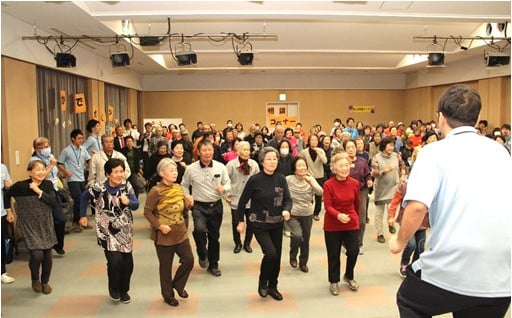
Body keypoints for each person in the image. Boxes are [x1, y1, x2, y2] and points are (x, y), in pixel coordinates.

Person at [389, 84, 511, 317]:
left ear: (441, 118)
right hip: (501, 276)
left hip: (453, 266)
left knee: (408, 299)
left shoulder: (433, 152)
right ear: (476, 120)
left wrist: (400, 241)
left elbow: (416, 207)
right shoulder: (500, 152)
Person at [80, 158, 139, 304]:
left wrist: (129, 202)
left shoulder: (127, 185)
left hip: (124, 229)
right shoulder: (99, 188)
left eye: (122, 171)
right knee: (115, 261)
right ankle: (114, 288)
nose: (120, 175)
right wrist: (82, 216)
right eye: (116, 172)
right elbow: (83, 197)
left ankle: (124, 290)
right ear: (108, 174)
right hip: (106, 230)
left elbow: (136, 204)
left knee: (128, 263)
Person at [236, 147, 292, 301]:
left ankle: (273, 286)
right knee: (271, 253)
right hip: (259, 224)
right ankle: (263, 281)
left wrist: (287, 210)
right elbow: (242, 202)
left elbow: (287, 199)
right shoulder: (255, 180)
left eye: (275, 158)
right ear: (262, 161)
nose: (272, 161)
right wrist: (241, 220)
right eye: (269, 159)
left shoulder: (281, 178)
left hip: (277, 223)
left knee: (277, 257)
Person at [144, 158, 194, 307]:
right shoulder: (156, 191)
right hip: (164, 234)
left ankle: (178, 285)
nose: (175, 173)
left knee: (189, 260)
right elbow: (147, 212)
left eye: (176, 170)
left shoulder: (178, 187)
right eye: (171, 170)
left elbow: (183, 209)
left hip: (180, 231)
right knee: (166, 267)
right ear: (161, 173)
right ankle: (168, 295)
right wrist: (159, 226)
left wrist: (188, 204)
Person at [5, 160, 57, 294]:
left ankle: (45, 282)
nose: (41, 172)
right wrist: (9, 211)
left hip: (45, 224)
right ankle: (35, 280)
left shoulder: (48, 184)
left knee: (47, 256)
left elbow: (52, 200)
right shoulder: (20, 186)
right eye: (37, 169)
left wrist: (38, 190)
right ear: (29, 172)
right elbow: (7, 194)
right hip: (29, 225)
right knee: (36, 255)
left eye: (43, 169)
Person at [181, 139, 231, 277]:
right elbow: (184, 185)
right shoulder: (191, 168)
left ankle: (214, 265)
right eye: (204, 150)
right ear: (198, 152)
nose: (207, 153)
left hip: (216, 205)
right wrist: (187, 196)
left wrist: (224, 188)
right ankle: (202, 253)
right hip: (198, 206)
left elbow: (228, 183)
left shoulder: (221, 167)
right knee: (199, 230)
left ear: (213, 151)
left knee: (214, 237)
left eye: (210, 150)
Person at [323, 153, 360, 296]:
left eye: (347, 165)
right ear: (334, 168)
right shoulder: (328, 184)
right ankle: (333, 281)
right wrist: (338, 215)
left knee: (354, 251)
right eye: (341, 166)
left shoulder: (354, 183)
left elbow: (357, 204)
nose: (345, 168)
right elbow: (328, 206)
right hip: (333, 224)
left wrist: (355, 218)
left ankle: (349, 276)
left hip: (351, 222)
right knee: (333, 254)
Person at [387, 170, 429, 278]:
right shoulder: (404, 186)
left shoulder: (429, 186)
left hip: (422, 222)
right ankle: (404, 263)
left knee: (420, 246)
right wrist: (391, 216)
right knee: (411, 244)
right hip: (407, 220)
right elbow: (394, 202)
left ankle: (416, 266)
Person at [30, 137, 67, 254]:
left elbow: (54, 174)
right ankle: (45, 245)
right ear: (36, 149)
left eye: (47, 146)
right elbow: (40, 176)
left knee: (60, 219)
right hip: (41, 190)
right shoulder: (34, 160)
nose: (45, 149)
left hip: (54, 189)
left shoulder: (50, 156)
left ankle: (58, 244)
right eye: (41, 147)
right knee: (45, 220)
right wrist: (50, 166)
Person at [286, 157, 323, 273]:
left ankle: (303, 262)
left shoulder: (310, 179)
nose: (302, 168)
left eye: (304, 165)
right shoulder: (288, 179)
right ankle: (293, 255)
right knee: (297, 235)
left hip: (307, 213)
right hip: (293, 213)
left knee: (305, 239)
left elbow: (320, 192)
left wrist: (311, 182)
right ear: (294, 168)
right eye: (299, 166)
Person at [225, 141, 260, 254]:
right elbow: (225, 180)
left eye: (248, 149)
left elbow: (259, 181)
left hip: (251, 200)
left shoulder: (254, 164)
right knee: (236, 222)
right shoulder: (230, 165)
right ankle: (238, 243)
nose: (246, 152)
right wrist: (227, 195)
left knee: (251, 223)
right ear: (238, 151)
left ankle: (247, 243)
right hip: (236, 198)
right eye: (244, 149)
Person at [371, 136, 405, 243]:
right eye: (389, 145)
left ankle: (390, 223)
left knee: (392, 208)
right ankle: (380, 233)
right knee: (379, 213)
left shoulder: (396, 156)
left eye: (392, 145)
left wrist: (403, 174)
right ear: (384, 146)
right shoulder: (376, 158)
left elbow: (402, 165)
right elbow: (375, 173)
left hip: (394, 186)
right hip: (381, 188)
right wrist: (384, 171)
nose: (391, 147)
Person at [57, 129, 91, 232]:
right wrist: (65, 172)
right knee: (78, 200)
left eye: (82, 138)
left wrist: (91, 166)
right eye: (79, 138)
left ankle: (83, 220)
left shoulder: (83, 149)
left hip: (82, 177)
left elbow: (89, 160)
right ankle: (76, 222)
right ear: (73, 139)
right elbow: (59, 163)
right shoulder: (66, 150)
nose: (81, 140)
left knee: (84, 200)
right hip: (72, 179)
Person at [300, 134, 327, 221]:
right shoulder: (304, 152)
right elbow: (300, 162)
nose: (314, 142)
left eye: (315, 140)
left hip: (320, 176)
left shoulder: (321, 150)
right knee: (309, 195)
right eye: (312, 140)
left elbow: (325, 161)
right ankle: (309, 211)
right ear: (309, 141)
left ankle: (316, 213)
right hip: (309, 175)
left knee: (318, 196)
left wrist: (319, 153)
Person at [1, 163, 15, 284]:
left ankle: (2, 272)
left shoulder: (3, 167)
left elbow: (7, 192)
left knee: (1, 241)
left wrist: (8, 211)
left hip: (1, 211)